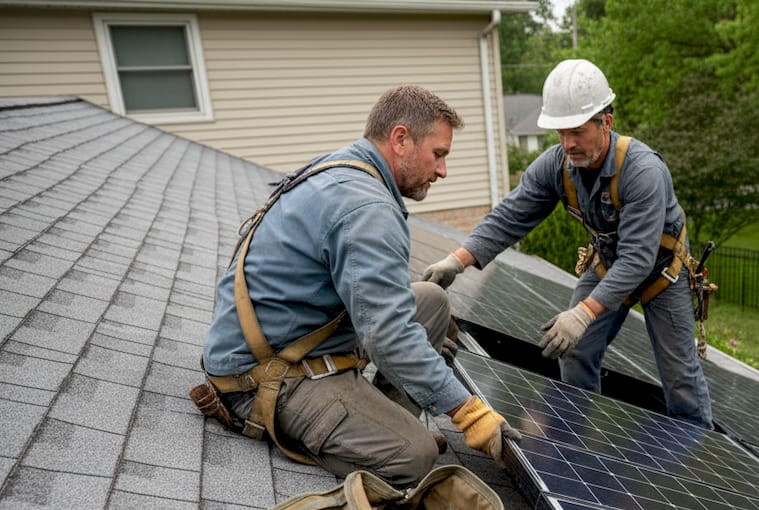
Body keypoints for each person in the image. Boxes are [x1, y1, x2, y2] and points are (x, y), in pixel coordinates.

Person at [196, 85, 518, 486]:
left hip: (299, 332)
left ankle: (380, 420)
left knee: (431, 301)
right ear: (400, 139)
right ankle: (382, 440)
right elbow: (388, 334)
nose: (442, 171)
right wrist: (468, 411)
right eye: (439, 155)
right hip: (265, 374)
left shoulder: (347, 167)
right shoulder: (366, 207)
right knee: (414, 457)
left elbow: (384, 310)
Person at [423, 59, 714, 429]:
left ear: (605, 122)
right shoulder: (557, 166)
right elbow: (510, 216)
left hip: (660, 272)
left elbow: (639, 259)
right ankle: (572, 449)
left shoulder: (643, 172)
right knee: (574, 349)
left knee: (680, 376)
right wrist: (457, 260)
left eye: (577, 131)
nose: (568, 144)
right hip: (609, 263)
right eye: (561, 133)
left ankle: (693, 450)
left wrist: (582, 313)